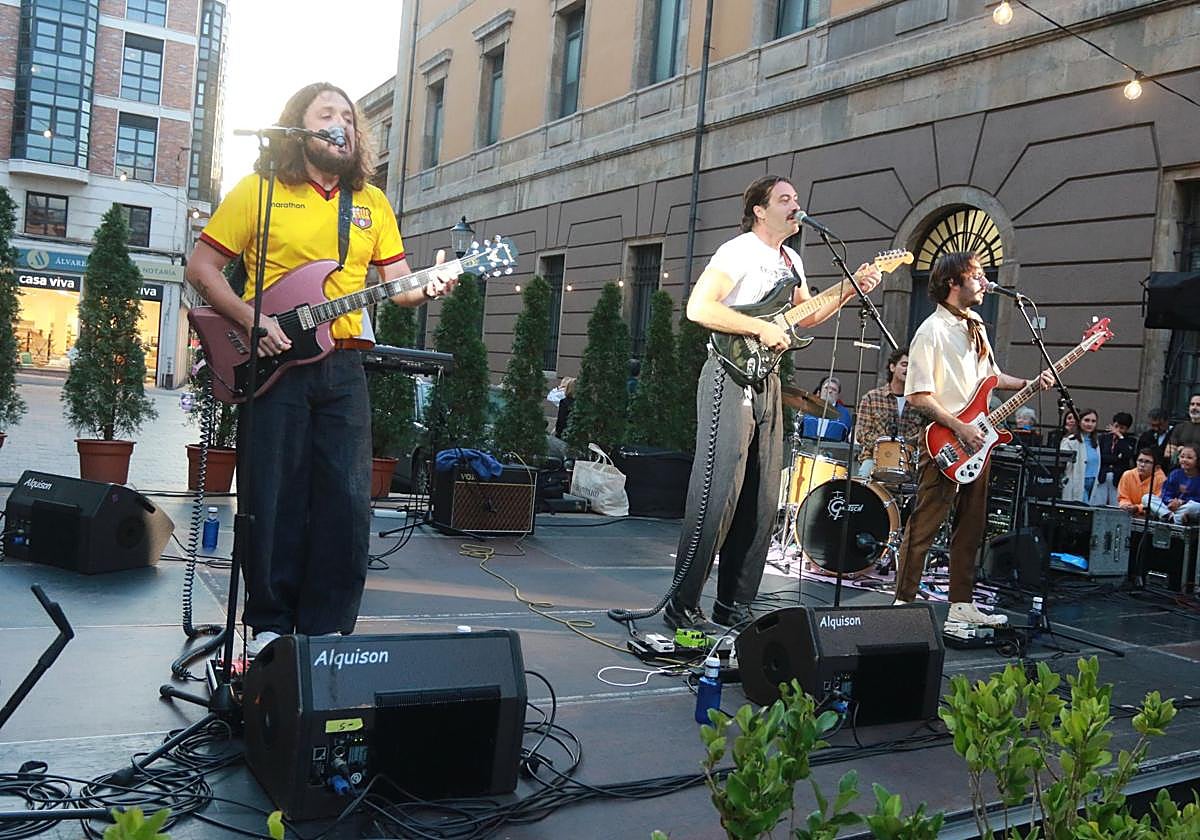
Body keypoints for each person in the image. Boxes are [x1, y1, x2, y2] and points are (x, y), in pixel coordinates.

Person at [186, 82, 459, 652]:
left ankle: (327, 630)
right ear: (300, 126)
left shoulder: (372, 204)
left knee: (347, 501)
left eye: (349, 118)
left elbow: (398, 286)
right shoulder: (260, 191)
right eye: (327, 113)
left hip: (343, 368)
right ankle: (268, 627)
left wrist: (429, 285)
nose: (341, 124)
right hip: (272, 364)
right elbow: (203, 267)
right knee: (273, 496)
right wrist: (251, 320)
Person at [664, 175, 881, 631]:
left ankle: (734, 605)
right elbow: (699, 308)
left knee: (762, 497)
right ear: (760, 210)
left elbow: (809, 314)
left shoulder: (792, 259)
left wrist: (852, 287)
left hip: (768, 380)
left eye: (797, 199)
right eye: (785, 199)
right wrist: (760, 329)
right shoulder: (739, 250)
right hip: (728, 374)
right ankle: (682, 606)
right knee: (719, 492)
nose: (795, 206)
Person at [892, 251, 1053, 626]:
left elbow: (991, 377)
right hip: (943, 439)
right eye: (976, 275)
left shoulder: (976, 323)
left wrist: (1030, 383)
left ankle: (961, 605)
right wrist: (959, 426)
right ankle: (901, 603)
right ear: (953, 282)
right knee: (925, 523)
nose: (984, 282)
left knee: (972, 524)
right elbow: (917, 395)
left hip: (978, 439)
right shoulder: (930, 331)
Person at [854, 347, 925, 478]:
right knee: (863, 482)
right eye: (904, 365)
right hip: (874, 459)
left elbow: (922, 435)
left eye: (912, 367)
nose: (908, 370)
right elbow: (862, 433)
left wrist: (904, 447)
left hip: (908, 461)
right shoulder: (871, 398)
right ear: (892, 367)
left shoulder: (919, 402)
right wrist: (888, 447)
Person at [1089, 411, 1135, 506]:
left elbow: (1127, 455)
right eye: (1116, 426)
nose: (1117, 430)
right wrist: (1117, 458)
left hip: (1118, 479)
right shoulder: (1103, 438)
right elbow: (1099, 456)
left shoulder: (1130, 441)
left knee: (1116, 505)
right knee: (1098, 504)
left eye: (1121, 428)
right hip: (1102, 476)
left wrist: (1120, 437)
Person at [1060, 409, 1099, 503]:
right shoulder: (1070, 441)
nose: (1090, 424)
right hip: (1077, 482)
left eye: (1093, 421)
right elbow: (1064, 465)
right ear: (1079, 421)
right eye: (1086, 420)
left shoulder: (1095, 441)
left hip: (1093, 483)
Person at [801, 374, 853, 442]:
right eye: (826, 388)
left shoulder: (844, 414)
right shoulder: (808, 408)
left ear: (837, 396)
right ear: (820, 391)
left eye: (834, 390)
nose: (830, 391)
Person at [1117, 447, 1166, 517]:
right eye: (1140, 460)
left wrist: (1138, 508)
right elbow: (1122, 497)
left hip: (1150, 517)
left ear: (1156, 467)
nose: (1142, 465)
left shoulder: (1161, 479)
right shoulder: (1127, 475)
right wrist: (1126, 505)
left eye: (1147, 462)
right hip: (1128, 514)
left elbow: (1157, 503)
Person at [1159, 443, 1200, 524]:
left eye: (1189, 458)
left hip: (1188, 507)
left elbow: (1198, 499)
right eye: (1182, 457)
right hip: (1171, 507)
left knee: (1195, 506)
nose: (1184, 460)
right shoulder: (1175, 473)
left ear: (1198, 460)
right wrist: (1171, 501)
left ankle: (1171, 517)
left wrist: (1181, 502)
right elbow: (1165, 493)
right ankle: (1173, 516)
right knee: (1146, 498)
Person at [1166, 394, 1200, 464]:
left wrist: (1184, 450)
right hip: (1180, 468)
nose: (1194, 407)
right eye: (1192, 404)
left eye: (1198, 405)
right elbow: (1168, 453)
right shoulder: (1179, 427)